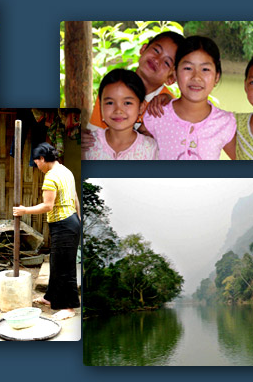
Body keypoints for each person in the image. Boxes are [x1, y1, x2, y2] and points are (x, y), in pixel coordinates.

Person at [12, 143, 80, 320]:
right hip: (70, 221)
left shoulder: (51, 177)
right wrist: (79, 219)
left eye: (37, 163)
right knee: (57, 264)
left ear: (42, 159)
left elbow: (47, 206)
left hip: (63, 225)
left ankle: (68, 308)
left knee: (65, 267)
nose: (37, 167)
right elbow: (75, 198)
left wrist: (24, 210)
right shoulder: (66, 171)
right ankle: (50, 298)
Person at [142, 36, 235, 160]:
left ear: (216, 77)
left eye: (205, 69)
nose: (196, 77)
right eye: (188, 68)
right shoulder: (157, 115)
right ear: (175, 73)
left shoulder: (224, 123)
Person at [83, 69, 159, 160]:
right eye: (110, 103)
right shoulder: (88, 144)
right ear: (100, 106)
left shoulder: (151, 149)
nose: (118, 110)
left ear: (141, 107)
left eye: (127, 103)